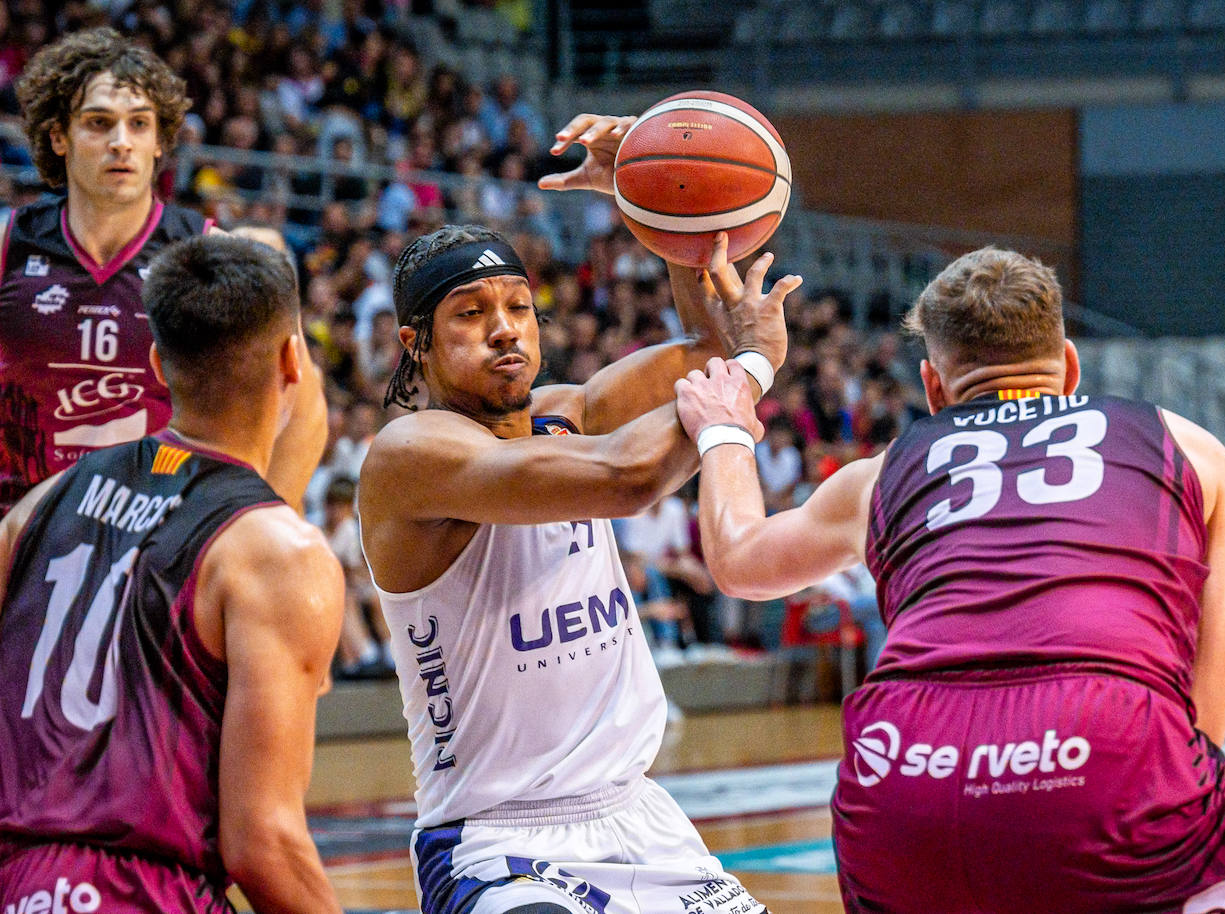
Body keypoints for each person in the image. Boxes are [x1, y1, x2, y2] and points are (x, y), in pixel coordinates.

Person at [675, 246, 1225, 914]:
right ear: (1070, 367)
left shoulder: (882, 473)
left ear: (933, 388)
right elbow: (1203, 714)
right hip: (1101, 749)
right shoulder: (1189, 449)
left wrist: (726, 425)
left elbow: (737, 560)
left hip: (900, 779)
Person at [357, 112, 798, 914]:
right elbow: (631, 476)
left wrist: (669, 211)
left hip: (641, 819)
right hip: (499, 842)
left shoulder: (565, 412)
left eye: (519, 308)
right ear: (416, 343)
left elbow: (702, 356)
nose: (504, 332)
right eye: (470, 314)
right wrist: (757, 364)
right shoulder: (412, 456)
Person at [0, 235, 344, 913]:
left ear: (158, 363)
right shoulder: (278, 552)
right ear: (292, 360)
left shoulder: (43, 503)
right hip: (146, 891)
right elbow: (262, 844)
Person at [0, 27, 326, 516]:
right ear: (58, 136)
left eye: (138, 124)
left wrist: (264, 521)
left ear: (159, 142)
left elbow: (302, 408)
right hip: (19, 539)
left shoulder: (209, 256)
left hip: (155, 547)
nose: (120, 142)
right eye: (98, 123)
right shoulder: (7, 245)